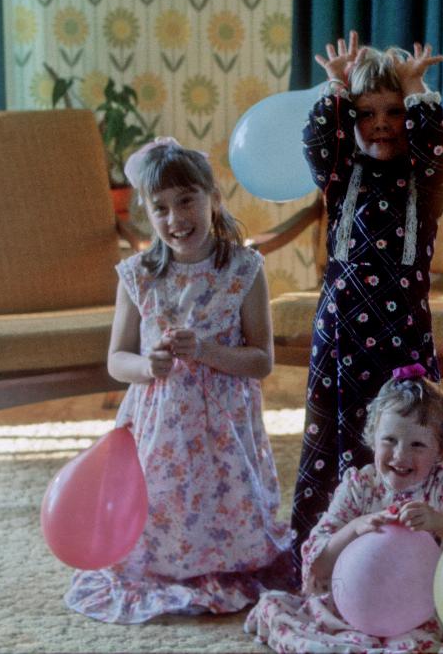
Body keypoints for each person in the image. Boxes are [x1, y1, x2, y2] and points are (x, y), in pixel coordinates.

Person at [65, 138, 294, 624]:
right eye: (160, 208)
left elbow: (261, 361)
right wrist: (148, 366)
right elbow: (116, 360)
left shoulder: (243, 270)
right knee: (162, 499)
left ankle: (222, 561)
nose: (176, 218)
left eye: (187, 200)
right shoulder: (139, 275)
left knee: (222, 499)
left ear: (213, 197)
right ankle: (165, 564)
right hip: (160, 428)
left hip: (224, 431)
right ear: (149, 213)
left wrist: (209, 352)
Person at [291, 31, 443, 550]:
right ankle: (333, 544)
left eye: (393, 112)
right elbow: (319, 141)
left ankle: (411, 544)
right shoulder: (341, 173)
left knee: (406, 431)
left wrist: (416, 91)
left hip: (402, 335)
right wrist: (336, 89)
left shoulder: (425, 181)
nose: (383, 123)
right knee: (336, 435)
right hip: (341, 332)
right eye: (367, 114)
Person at [245, 366, 443, 652]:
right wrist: (355, 528)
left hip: (417, 612)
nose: (400, 455)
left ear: (440, 451)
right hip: (349, 606)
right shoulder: (359, 484)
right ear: (372, 437)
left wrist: (441, 524)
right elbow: (318, 563)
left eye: (417, 444)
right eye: (389, 440)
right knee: (275, 605)